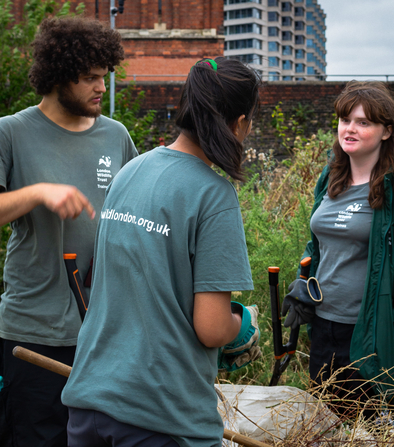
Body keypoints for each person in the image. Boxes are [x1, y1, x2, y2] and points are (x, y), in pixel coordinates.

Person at [61, 57, 261, 447]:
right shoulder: (214, 194)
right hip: (162, 416)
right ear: (239, 123)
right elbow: (211, 328)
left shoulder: (130, 172)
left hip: (90, 403)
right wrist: (242, 326)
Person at [0, 16, 137, 447]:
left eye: (104, 76)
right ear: (58, 75)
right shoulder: (11, 132)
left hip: (103, 332)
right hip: (33, 332)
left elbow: (138, 213)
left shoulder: (116, 136)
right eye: (88, 78)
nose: (101, 87)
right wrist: (38, 192)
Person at [282, 81, 394, 421]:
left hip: (372, 334)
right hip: (325, 328)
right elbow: (318, 242)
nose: (350, 129)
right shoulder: (332, 177)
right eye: (345, 120)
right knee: (326, 428)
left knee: (374, 432)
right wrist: (304, 282)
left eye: (363, 122)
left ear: (387, 131)